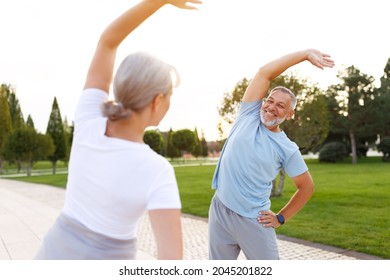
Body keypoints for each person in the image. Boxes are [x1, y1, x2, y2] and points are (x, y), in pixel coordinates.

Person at [35, 0, 202, 260]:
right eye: (169, 96)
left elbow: (108, 41)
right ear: (157, 101)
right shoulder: (157, 171)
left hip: (53, 252)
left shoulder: (89, 118)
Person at [209, 49, 335, 260]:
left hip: (253, 220)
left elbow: (306, 187)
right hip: (220, 209)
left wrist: (281, 217)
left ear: (290, 114)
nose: (271, 107)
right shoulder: (248, 114)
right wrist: (304, 54)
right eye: (270, 100)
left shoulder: (288, 148)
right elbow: (264, 73)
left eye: (280, 105)